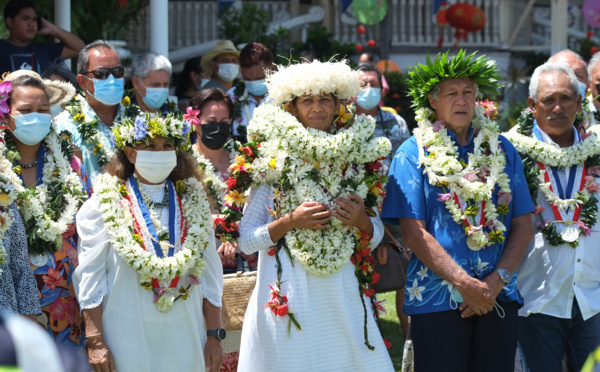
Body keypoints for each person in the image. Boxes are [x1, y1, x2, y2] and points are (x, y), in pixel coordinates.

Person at [221, 59, 394, 371]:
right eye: (308, 100)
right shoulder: (272, 157)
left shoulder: (355, 157)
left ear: (337, 105)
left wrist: (362, 221)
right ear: (293, 107)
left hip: (342, 292)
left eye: (324, 99)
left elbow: (377, 234)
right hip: (288, 291)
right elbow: (246, 241)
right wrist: (290, 221)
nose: (317, 108)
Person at [381, 50, 534, 372]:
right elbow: (412, 232)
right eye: (452, 93)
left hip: (496, 296)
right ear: (433, 101)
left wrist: (495, 281)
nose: (461, 101)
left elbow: (523, 222)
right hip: (436, 299)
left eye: (468, 93)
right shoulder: (412, 153)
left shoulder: (502, 149)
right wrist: (465, 284)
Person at [73, 112, 224, 371]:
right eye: (150, 145)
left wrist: (214, 335)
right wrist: (95, 340)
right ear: (131, 154)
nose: (160, 152)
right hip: (126, 334)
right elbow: (90, 275)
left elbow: (210, 275)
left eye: (167, 146)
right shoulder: (102, 204)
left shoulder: (193, 202)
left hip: (186, 334)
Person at [505, 62, 600, 372]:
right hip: (537, 299)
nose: (558, 107)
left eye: (566, 98)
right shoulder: (512, 154)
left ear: (579, 102)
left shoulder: (596, 149)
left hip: (592, 300)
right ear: (533, 105)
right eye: (548, 100)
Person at [0, 70, 90, 350]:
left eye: (42, 110)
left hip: (69, 297)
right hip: (11, 297)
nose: (36, 117)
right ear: (5, 115)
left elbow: (89, 227)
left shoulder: (71, 166)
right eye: (25, 110)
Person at [188, 88, 254, 372]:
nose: (219, 127)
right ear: (194, 121)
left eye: (225, 121)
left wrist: (239, 229)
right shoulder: (182, 163)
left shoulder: (245, 159)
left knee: (246, 344)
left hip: (248, 261)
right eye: (211, 120)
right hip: (201, 263)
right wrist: (221, 227)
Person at [54, 40, 126, 183]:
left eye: (118, 72)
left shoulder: (138, 122)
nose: (112, 79)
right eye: (101, 73)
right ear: (82, 82)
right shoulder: (63, 126)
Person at [0, 0, 84, 76]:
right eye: (25, 19)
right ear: (10, 22)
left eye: (34, 19)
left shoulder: (43, 50)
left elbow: (80, 48)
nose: (31, 24)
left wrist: (52, 28)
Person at [227, 42, 274, 143]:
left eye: (259, 78)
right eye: (247, 79)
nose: (253, 84)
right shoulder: (230, 97)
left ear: (272, 69)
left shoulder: (286, 97)